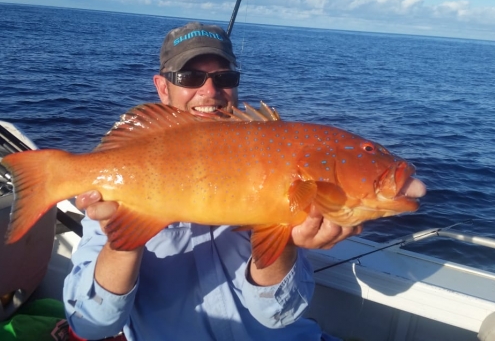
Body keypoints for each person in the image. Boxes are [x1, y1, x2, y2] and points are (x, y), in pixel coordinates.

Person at [63, 22, 362, 341]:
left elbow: (278, 315)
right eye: (190, 77)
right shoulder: (119, 182)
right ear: (163, 88)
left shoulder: (272, 161)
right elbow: (90, 325)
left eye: (224, 77)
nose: (210, 91)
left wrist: (285, 236)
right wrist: (122, 241)